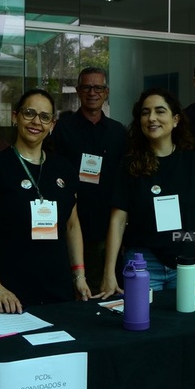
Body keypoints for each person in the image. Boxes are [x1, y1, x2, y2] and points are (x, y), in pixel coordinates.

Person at [0, 88, 91, 313]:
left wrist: (79, 276)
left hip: (58, 291)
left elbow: (72, 226)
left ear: (52, 125)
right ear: (15, 117)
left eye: (44, 117)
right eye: (29, 113)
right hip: (9, 296)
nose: (36, 122)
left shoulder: (64, 169)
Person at [100, 88, 195, 295]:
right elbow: (117, 221)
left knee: (185, 315)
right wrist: (108, 272)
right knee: (141, 315)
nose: (151, 118)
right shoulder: (130, 165)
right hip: (142, 263)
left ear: (176, 120)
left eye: (160, 111)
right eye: (145, 112)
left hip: (186, 263)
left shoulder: (194, 162)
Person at [51, 67, 126, 292]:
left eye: (98, 87)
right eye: (87, 87)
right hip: (72, 224)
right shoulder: (63, 129)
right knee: (77, 289)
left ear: (106, 92)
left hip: (108, 226)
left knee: (108, 288)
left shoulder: (118, 132)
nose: (92, 92)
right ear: (78, 90)